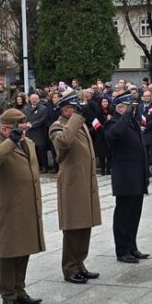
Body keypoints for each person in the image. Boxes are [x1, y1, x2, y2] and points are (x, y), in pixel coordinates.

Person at [0, 108, 47, 304]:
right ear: (5, 128)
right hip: (9, 206)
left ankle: (20, 290)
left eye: (24, 127)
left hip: (28, 204)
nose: (23, 132)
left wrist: (19, 139)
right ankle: (8, 295)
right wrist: (11, 141)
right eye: (18, 128)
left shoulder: (27, 143)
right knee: (9, 251)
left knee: (24, 248)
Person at [49, 89, 102, 284]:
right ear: (63, 110)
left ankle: (80, 263)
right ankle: (69, 267)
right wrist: (76, 119)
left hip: (85, 181)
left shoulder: (79, 125)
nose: (76, 111)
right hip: (72, 183)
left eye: (76, 108)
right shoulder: (57, 127)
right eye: (72, 108)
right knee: (73, 227)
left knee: (85, 224)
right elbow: (64, 142)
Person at [105, 93, 151, 263]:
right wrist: (125, 116)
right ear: (120, 108)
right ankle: (122, 250)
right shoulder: (113, 123)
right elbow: (113, 135)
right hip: (124, 178)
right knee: (123, 216)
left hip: (137, 177)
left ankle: (132, 247)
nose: (132, 109)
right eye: (128, 106)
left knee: (134, 215)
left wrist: (145, 175)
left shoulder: (132, 123)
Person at [23, 93, 51, 174]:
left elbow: (43, 119)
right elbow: (23, 118)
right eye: (32, 99)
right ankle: (36, 167)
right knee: (33, 151)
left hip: (40, 132)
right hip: (29, 133)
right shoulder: (25, 108)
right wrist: (26, 124)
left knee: (41, 151)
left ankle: (45, 167)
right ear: (30, 99)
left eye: (36, 99)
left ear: (38, 99)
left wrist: (32, 124)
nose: (34, 100)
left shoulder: (44, 108)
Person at [138, 89, 152, 176]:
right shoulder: (139, 106)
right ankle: (146, 170)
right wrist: (139, 126)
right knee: (144, 153)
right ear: (142, 97)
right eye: (145, 96)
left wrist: (145, 127)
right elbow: (137, 117)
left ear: (151, 97)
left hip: (151, 132)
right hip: (141, 132)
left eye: (148, 96)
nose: (147, 97)